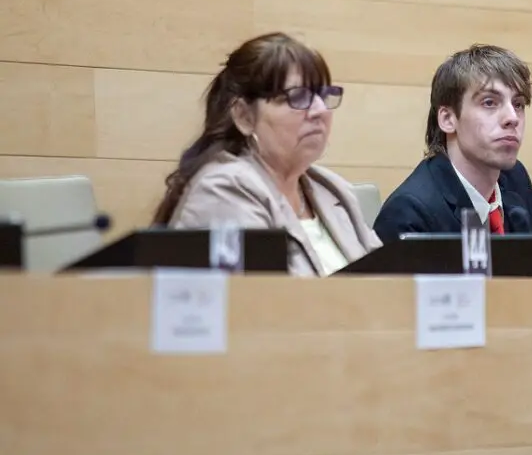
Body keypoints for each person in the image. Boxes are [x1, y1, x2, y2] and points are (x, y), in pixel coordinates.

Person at [153, 32, 382, 276]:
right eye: (298, 96)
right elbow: (261, 296)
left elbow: (389, 280)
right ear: (244, 116)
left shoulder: (333, 189)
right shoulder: (224, 190)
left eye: (323, 95)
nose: (320, 110)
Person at [373, 44, 532, 277]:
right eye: (489, 102)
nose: (512, 118)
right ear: (448, 119)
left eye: (518, 104)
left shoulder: (512, 180)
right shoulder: (409, 214)